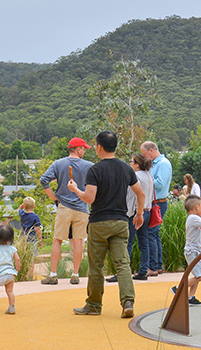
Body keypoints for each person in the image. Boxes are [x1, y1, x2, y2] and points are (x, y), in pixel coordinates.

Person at [69, 130, 145, 318]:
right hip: (121, 222)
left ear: (99, 147)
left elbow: (89, 197)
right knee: (123, 264)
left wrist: (75, 189)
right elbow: (140, 193)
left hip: (99, 223)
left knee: (96, 266)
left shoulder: (94, 170)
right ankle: (127, 301)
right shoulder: (126, 168)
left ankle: (94, 305)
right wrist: (139, 214)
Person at [39, 136, 95, 285]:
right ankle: (75, 274)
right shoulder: (89, 166)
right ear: (78, 149)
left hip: (64, 206)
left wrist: (54, 198)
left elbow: (43, 180)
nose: (84, 151)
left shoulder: (58, 164)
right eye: (83, 149)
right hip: (82, 207)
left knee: (57, 239)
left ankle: (53, 274)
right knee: (78, 241)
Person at [141, 141, 173, 276]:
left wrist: (145, 179)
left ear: (151, 150)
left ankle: (153, 267)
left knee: (150, 234)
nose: (144, 157)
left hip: (158, 203)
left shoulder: (163, 164)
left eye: (144, 154)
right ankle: (157, 265)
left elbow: (160, 183)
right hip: (154, 202)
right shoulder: (156, 164)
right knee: (154, 234)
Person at [126, 152, 154, 280]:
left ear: (137, 164)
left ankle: (124, 270)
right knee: (144, 241)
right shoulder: (149, 175)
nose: (130, 164)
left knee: (128, 242)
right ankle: (143, 270)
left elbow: (132, 195)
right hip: (147, 210)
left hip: (136, 212)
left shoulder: (135, 176)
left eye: (131, 162)